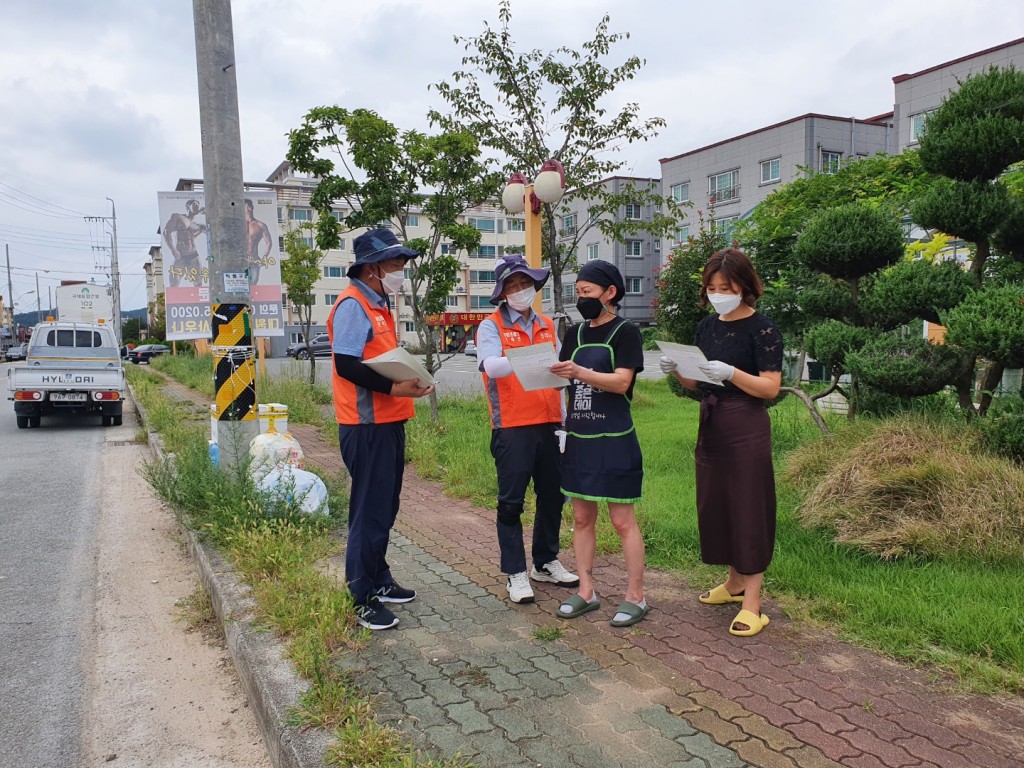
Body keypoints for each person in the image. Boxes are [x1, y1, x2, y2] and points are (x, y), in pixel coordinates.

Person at [659, 247, 782, 637]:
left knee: (748, 506)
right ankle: (733, 583)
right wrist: (678, 371)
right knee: (716, 503)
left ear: (744, 286)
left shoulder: (762, 328)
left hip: (745, 423)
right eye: (711, 287)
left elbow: (770, 388)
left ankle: (753, 602)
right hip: (711, 421)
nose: (716, 293)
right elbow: (699, 383)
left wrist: (732, 372)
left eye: (724, 286)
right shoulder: (707, 327)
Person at [327, 228, 434, 630]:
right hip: (366, 425)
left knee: (385, 508)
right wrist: (395, 386)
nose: (400, 272)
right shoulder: (353, 304)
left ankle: (379, 578)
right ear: (372, 268)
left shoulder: (378, 302)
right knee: (368, 512)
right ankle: (360, 595)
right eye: (395, 265)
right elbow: (346, 365)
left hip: (389, 421)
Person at [549, 261, 648, 627]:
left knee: (622, 521)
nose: (581, 298)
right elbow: (563, 379)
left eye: (587, 291)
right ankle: (586, 590)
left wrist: (580, 373)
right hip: (579, 438)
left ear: (611, 293)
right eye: (578, 292)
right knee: (580, 517)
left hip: (615, 439)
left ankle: (635, 595)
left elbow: (622, 382)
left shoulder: (627, 333)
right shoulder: (574, 334)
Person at [476, 255, 580, 605]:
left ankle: (545, 560)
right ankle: (515, 573)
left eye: (525, 284)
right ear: (502, 292)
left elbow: (558, 378)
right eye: (513, 286)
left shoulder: (547, 324)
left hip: (549, 422)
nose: (520, 291)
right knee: (511, 503)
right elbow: (491, 365)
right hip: (512, 426)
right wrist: (526, 359)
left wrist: (564, 422)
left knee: (553, 495)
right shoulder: (490, 326)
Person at [163, 199, 207, 287]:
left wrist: (208, 213)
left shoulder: (196, 225)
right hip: (181, 256)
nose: (196, 207)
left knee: (198, 283)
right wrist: (173, 250)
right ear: (188, 207)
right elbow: (166, 232)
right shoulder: (178, 217)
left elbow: (194, 236)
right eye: (194, 205)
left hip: (194, 255)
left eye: (197, 205)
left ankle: (199, 300)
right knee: (174, 283)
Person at [243, 198, 274, 285]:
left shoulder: (260, 225)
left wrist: (264, 257)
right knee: (239, 287)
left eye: (249, 207)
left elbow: (269, 243)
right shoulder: (236, 225)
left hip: (254, 260)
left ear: (252, 208)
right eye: (245, 207)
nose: (247, 209)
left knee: (253, 287)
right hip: (240, 261)